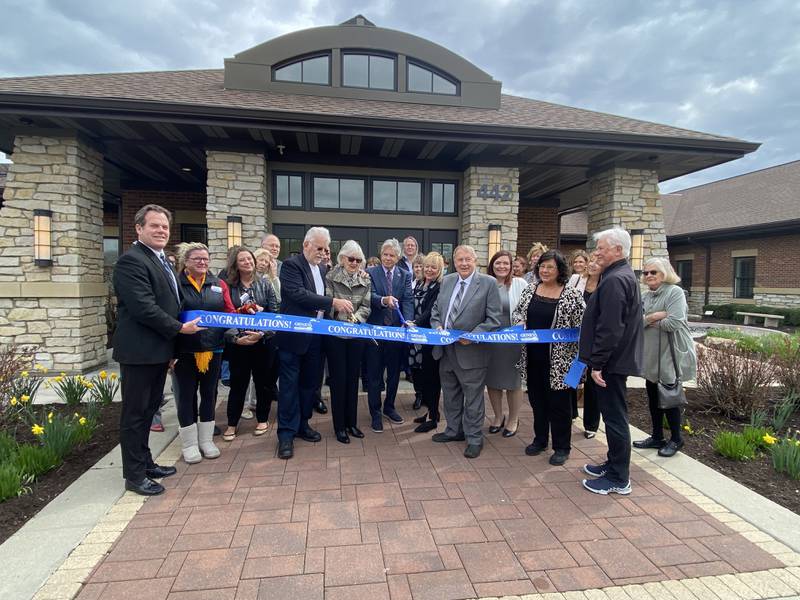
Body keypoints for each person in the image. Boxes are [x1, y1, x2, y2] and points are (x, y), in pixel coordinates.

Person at [112, 204, 203, 496]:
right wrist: (179, 329)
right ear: (139, 228)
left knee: (150, 410)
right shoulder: (132, 261)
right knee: (136, 414)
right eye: (155, 226)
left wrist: (174, 345)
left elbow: (172, 303)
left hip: (159, 351)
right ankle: (134, 475)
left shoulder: (162, 260)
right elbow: (144, 308)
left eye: (164, 227)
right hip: (139, 353)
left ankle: (146, 463)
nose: (161, 231)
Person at [275, 227, 351, 459]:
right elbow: (297, 294)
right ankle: (286, 435)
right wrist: (333, 302)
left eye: (325, 249)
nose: (322, 252)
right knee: (289, 387)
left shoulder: (322, 268)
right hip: (293, 338)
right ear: (306, 244)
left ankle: (303, 424)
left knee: (310, 384)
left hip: (316, 338)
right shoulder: (291, 265)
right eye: (319, 248)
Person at [579, 227, 644, 495]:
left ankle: (619, 478)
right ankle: (614, 463)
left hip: (611, 364)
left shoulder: (616, 279)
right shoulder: (619, 275)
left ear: (618, 250)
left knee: (615, 419)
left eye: (601, 248)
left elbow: (610, 328)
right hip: (614, 361)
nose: (596, 252)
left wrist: (597, 363)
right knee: (613, 416)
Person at [512, 250, 584, 465]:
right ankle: (540, 439)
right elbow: (518, 312)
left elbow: (583, 326)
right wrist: (518, 322)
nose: (544, 270)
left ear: (560, 270)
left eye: (550, 267)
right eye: (542, 266)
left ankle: (562, 447)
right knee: (537, 401)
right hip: (533, 358)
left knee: (559, 406)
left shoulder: (571, 295)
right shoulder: (531, 290)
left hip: (560, 363)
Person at [430, 245, 502, 458]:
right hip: (446, 351)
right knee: (450, 395)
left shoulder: (488, 284)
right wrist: (438, 328)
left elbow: (494, 319)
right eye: (459, 259)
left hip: (472, 352)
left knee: (473, 399)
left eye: (467, 259)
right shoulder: (448, 280)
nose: (463, 263)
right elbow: (436, 311)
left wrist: (472, 336)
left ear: (475, 260)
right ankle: (454, 431)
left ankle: (474, 438)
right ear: (454, 261)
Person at [172, 242, 233, 463]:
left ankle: (206, 440)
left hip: (213, 349)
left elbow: (229, 313)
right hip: (184, 350)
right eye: (197, 258)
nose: (202, 262)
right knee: (186, 396)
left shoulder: (218, 284)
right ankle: (189, 444)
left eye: (206, 259)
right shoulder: (176, 284)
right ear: (185, 262)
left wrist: (237, 333)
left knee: (210, 395)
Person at [634, 257, 697, 458]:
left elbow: (674, 323)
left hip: (670, 351)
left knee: (669, 394)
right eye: (646, 273)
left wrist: (649, 320)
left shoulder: (675, 292)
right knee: (652, 392)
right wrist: (654, 316)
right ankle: (657, 436)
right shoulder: (646, 295)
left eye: (654, 272)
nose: (649, 276)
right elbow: (635, 323)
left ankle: (677, 438)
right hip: (651, 351)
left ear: (665, 274)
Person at [223, 246, 280, 441]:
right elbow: (224, 315)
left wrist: (262, 334)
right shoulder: (228, 287)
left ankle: (262, 419)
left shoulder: (265, 284)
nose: (247, 262)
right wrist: (236, 338)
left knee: (263, 383)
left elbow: (275, 314)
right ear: (235, 264)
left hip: (262, 343)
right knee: (238, 384)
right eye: (242, 260)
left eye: (249, 259)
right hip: (239, 344)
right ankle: (232, 423)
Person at [324, 240, 372, 444]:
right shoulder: (330, 276)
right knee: (338, 381)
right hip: (335, 335)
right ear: (342, 258)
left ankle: (352, 423)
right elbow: (327, 303)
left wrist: (356, 319)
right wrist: (339, 314)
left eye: (358, 260)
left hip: (356, 335)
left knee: (353, 381)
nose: (354, 263)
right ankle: (339, 426)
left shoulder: (366, 279)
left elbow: (367, 306)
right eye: (351, 259)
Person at [366, 238, 414, 432]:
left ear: (398, 257)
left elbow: (408, 301)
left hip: (396, 333)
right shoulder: (370, 273)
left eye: (391, 255)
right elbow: (368, 296)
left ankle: (389, 407)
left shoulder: (405, 275)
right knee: (374, 375)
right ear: (381, 255)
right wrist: (384, 300)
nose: (387, 258)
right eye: (385, 254)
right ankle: (375, 413)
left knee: (393, 375)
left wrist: (408, 320)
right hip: (375, 332)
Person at [485, 250, 527, 437]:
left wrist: (523, 322)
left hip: (513, 342)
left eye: (506, 263)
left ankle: (513, 419)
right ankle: (497, 416)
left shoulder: (520, 284)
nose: (501, 266)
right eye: (498, 263)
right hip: (490, 341)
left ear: (511, 266)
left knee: (513, 382)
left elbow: (528, 308)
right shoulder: (485, 283)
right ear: (492, 265)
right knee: (492, 381)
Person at [408, 252, 444, 432]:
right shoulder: (420, 284)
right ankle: (430, 410)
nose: (429, 270)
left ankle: (433, 416)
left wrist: (415, 322)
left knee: (432, 377)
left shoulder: (439, 287)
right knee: (420, 375)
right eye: (426, 266)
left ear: (439, 270)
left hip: (429, 338)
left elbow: (431, 311)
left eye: (433, 267)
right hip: (415, 338)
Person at [578, 254, 602, 438]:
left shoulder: (607, 284)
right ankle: (571, 413)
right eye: (591, 261)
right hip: (574, 338)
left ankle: (591, 425)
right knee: (572, 377)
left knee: (592, 384)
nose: (593, 265)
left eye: (597, 262)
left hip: (595, 339)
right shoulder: (576, 280)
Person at [566, 248, 591, 419]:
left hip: (591, 332)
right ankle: (572, 409)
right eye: (575, 262)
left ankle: (588, 409)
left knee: (588, 371)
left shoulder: (597, 281)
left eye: (581, 261)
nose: (578, 264)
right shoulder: (574, 280)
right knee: (574, 368)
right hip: (575, 332)